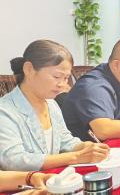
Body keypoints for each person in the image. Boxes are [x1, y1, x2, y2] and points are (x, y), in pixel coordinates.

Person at [0, 40, 109, 170]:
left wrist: (85, 147)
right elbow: (13, 160)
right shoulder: (5, 111)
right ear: (29, 69)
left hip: (55, 177)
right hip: (28, 181)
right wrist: (76, 157)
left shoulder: (51, 104)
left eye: (66, 78)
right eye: (57, 77)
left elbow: (64, 140)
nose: (62, 84)